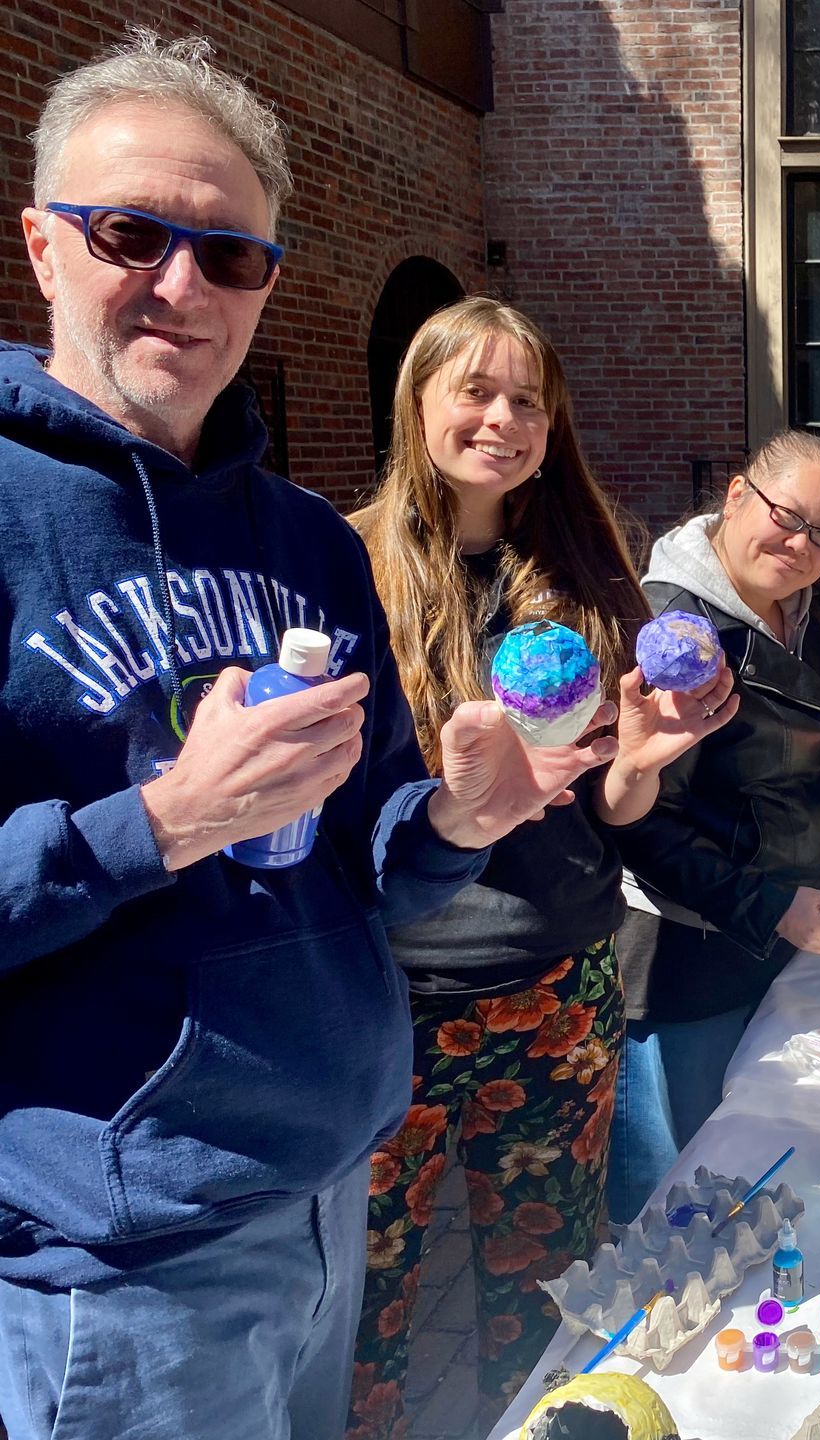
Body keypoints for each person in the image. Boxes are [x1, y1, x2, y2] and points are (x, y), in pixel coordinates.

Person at [0, 34, 609, 1440]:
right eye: (133, 233)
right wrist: (155, 824)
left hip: (333, 1176)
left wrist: (461, 819)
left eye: (230, 255)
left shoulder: (301, 547)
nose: (179, 284)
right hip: (125, 1258)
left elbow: (366, 869)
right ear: (41, 246)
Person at [344, 298, 737, 1433]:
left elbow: (606, 812)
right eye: (475, 390)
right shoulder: (347, 565)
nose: (504, 419)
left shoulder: (577, 566)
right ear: (417, 399)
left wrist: (646, 763)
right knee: (369, 1299)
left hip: (557, 988)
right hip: (392, 999)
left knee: (548, 1292)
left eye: (528, 400)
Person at [610, 430, 820, 1220]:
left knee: (754, 1178)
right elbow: (641, 825)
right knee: (675, 1199)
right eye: (789, 516)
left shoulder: (811, 607)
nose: (803, 544)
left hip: (779, 931)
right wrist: (769, 905)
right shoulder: (668, 629)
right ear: (736, 496)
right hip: (686, 954)